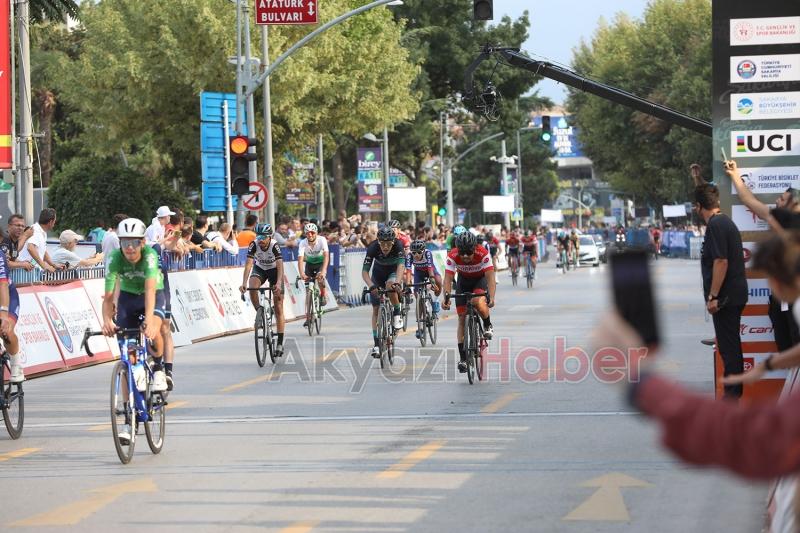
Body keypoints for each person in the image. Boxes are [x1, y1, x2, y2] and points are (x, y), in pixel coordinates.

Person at [101, 218, 168, 442]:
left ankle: (158, 368)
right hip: (129, 299)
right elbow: (109, 295)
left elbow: (150, 291)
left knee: (154, 329)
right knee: (127, 361)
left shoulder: (150, 255)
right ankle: (130, 420)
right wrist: (106, 320)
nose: (130, 248)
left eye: (134, 243)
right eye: (125, 243)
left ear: (142, 242)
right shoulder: (115, 258)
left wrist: (149, 320)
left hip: (153, 294)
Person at [725, 159, 800, 351]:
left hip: (796, 296)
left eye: (782, 199)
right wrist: (735, 175)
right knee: (784, 343)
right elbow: (749, 200)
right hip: (779, 298)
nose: (777, 201)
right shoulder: (776, 219)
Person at [694, 181, 748, 399]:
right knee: (729, 347)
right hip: (732, 296)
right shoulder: (723, 221)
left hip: (726, 298)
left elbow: (721, 262)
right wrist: (697, 180)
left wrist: (713, 296)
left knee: (729, 349)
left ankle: (732, 400)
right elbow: (705, 192)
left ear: (698, 207)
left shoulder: (716, 225)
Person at [442, 231, 496, 373]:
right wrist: (446, 297)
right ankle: (464, 359)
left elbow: (490, 277)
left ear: (474, 249)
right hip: (463, 282)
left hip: (479, 280)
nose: (465, 256)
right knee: (461, 319)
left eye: (468, 253)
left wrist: (492, 297)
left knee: (478, 302)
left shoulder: (483, 253)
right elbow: (447, 279)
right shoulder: (452, 255)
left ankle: (487, 324)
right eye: (462, 253)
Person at [240, 223, 285, 358]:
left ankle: (280, 343)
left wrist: (278, 283)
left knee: (278, 306)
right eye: (258, 236)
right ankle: (260, 313)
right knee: (252, 286)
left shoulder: (274, 245)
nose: (260, 240)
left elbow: (280, 266)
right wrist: (243, 283)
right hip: (260, 268)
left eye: (263, 237)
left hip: (274, 271)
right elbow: (248, 264)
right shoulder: (254, 244)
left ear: (269, 237)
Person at [362, 226, 405, 358]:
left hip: (392, 272)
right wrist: (371, 286)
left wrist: (397, 282)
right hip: (378, 274)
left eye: (388, 244)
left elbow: (401, 266)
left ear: (393, 242)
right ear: (378, 242)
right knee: (376, 309)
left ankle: (397, 311)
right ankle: (376, 345)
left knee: (390, 285)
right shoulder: (373, 248)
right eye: (383, 243)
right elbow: (364, 272)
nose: (385, 247)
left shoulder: (398, 245)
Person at [404, 239, 442, 335]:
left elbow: (430, 268)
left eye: (419, 252)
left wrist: (432, 281)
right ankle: (419, 327)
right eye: (414, 253)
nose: (416, 255)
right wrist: (408, 285)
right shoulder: (409, 256)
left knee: (438, 281)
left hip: (431, 272)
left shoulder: (428, 253)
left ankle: (435, 300)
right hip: (418, 274)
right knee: (419, 300)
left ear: (423, 251)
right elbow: (408, 272)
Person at [297, 223, 330, 327]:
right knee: (308, 292)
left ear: (316, 233)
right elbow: (300, 259)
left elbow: (326, 256)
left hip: (320, 263)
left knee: (320, 278)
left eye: (312, 233)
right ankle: (308, 316)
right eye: (308, 233)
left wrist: (324, 270)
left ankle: (323, 294)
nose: (310, 235)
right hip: (310, 265)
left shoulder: (322, 240)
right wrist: (302, 273)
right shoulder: (303, 243)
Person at [0, 243, 23, 383]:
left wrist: (3, 314)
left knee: (6, 331)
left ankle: (16, 366)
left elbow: (2, 284)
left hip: (6, 295)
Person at [17, 208, 64, 272]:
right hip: (25, 272)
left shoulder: (42, 232)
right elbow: (30, 248)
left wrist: (53, 265)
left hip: (32, 271)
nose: (54, 224)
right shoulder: (35, 230)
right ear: (50, 222)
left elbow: (42, 252)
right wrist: (44, 266)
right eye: (54, 221)